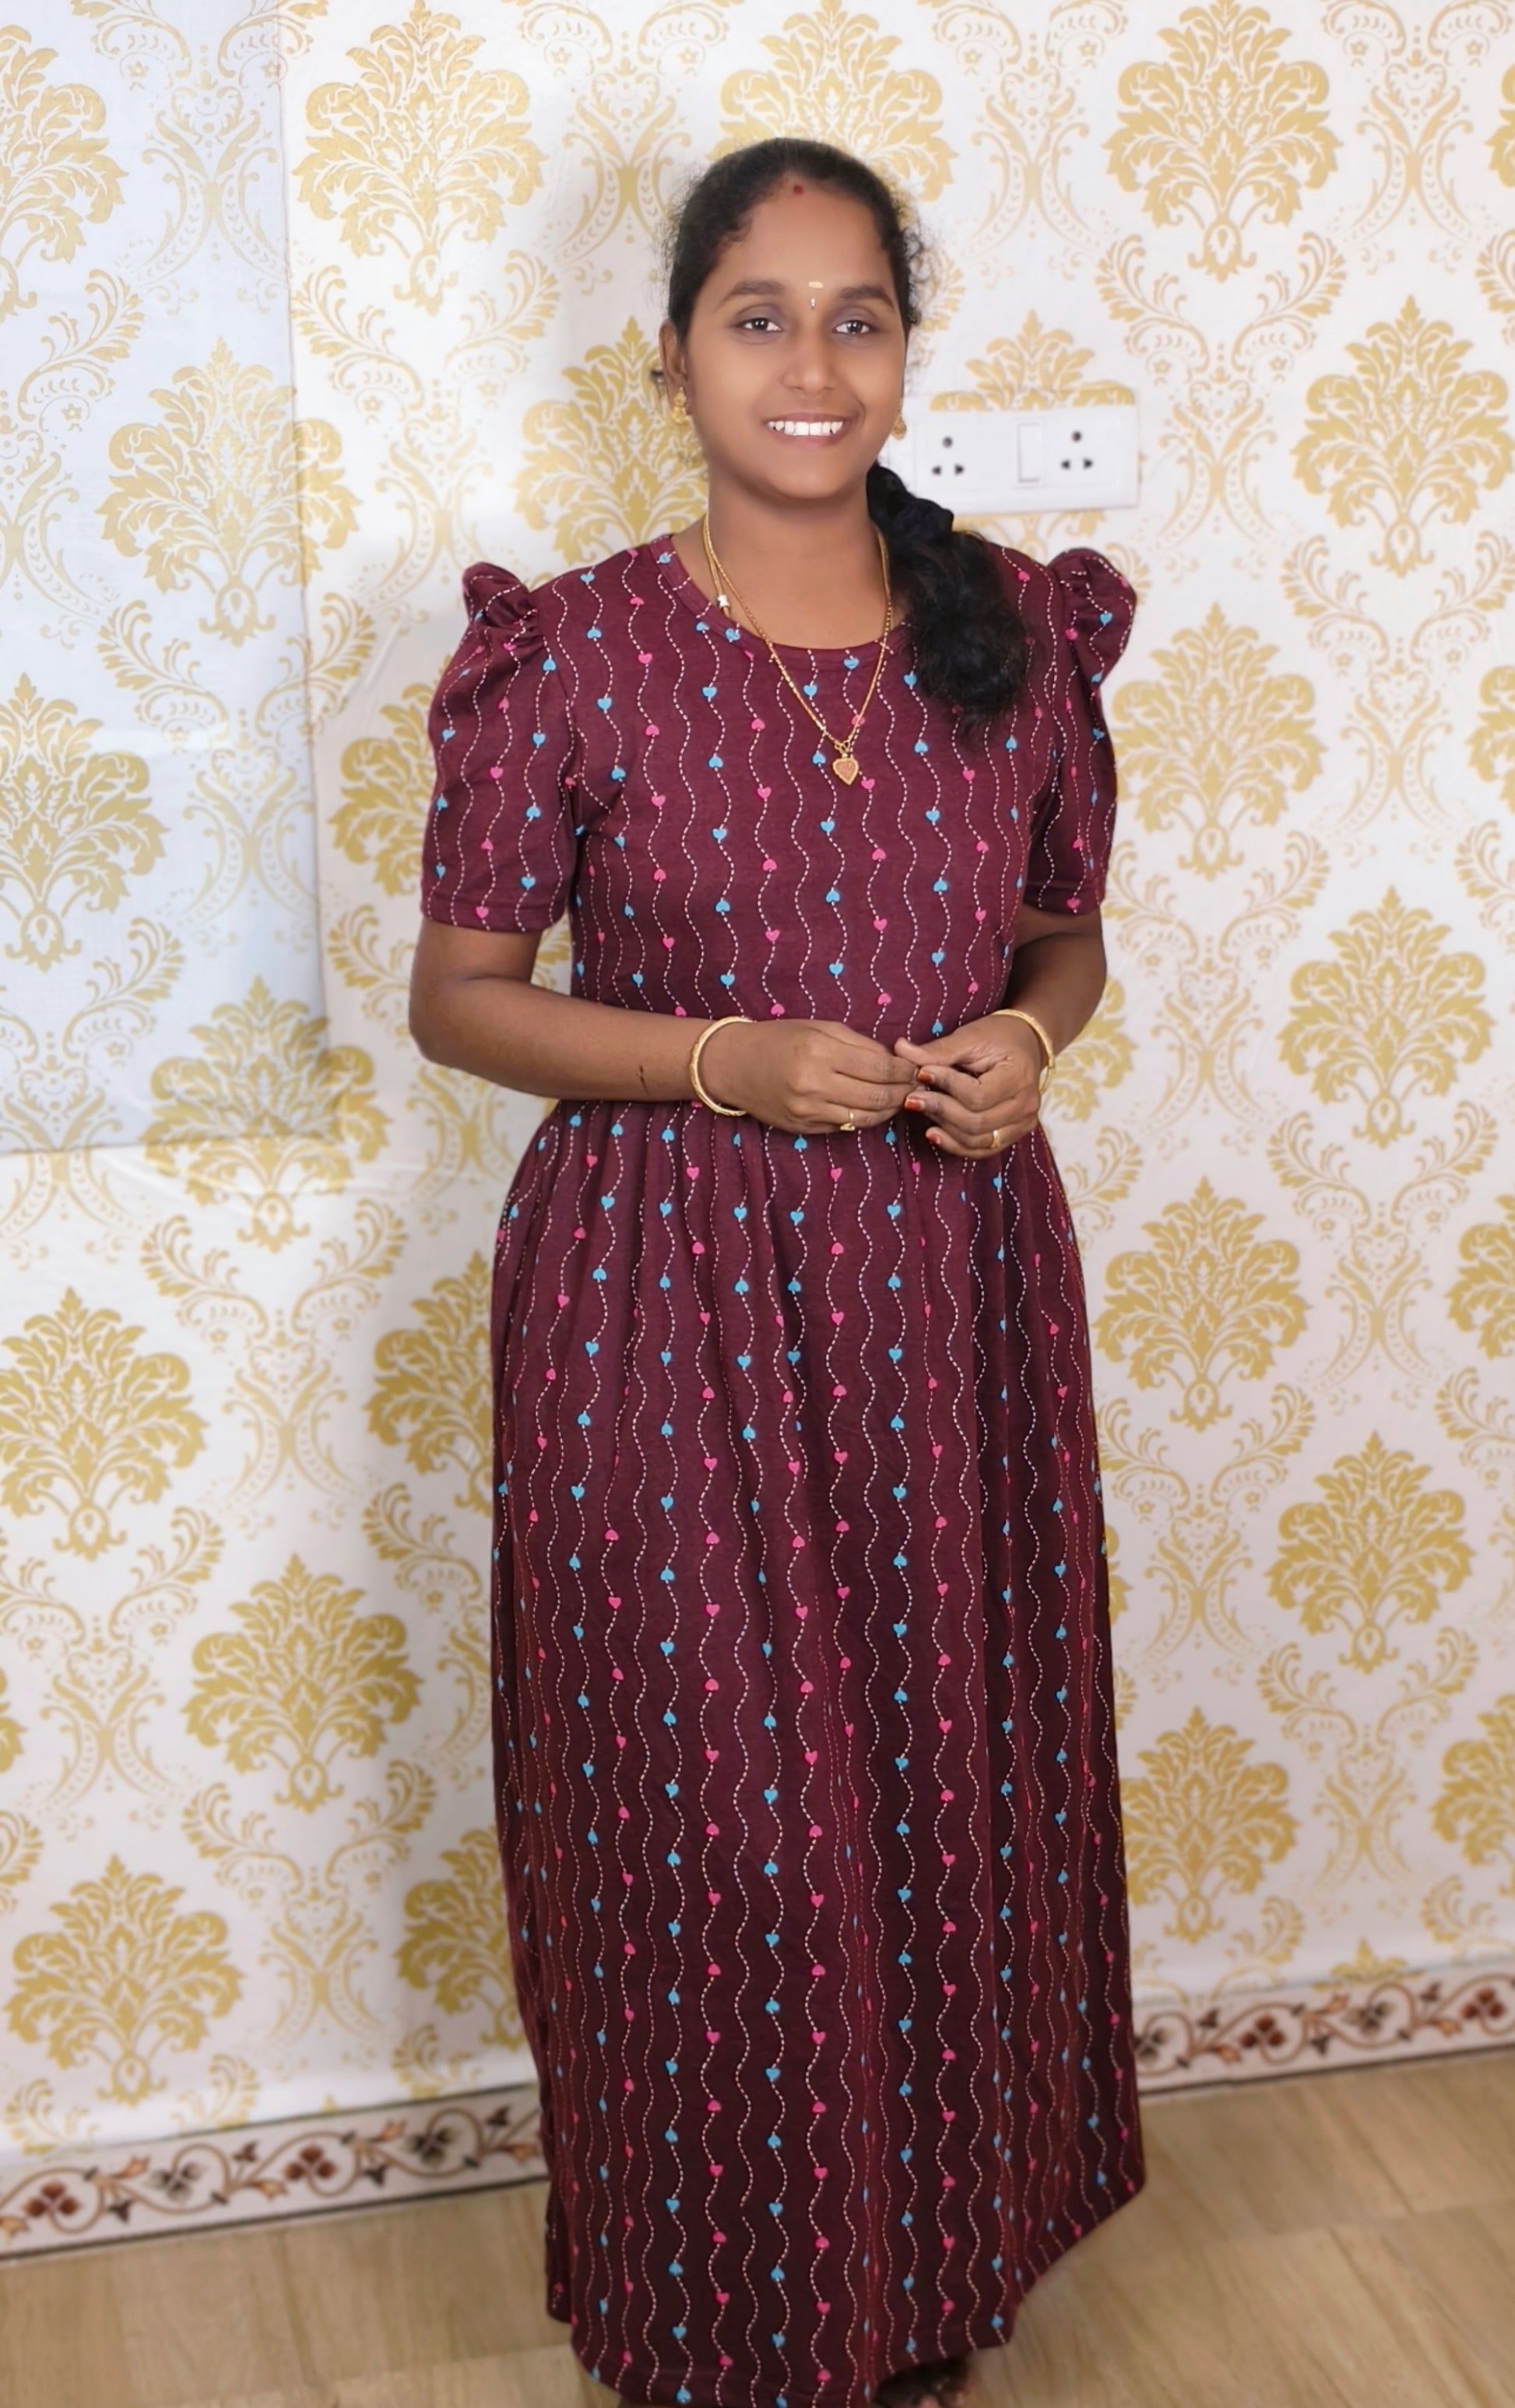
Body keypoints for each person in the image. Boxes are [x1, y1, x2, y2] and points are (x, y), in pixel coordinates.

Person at [410, 136, 1144, 2408]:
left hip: (953, 1294)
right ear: (673, 358)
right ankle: (716, 2313)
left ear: (904, 351)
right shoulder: (572, 653)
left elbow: (1062, 937)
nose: (811, 363)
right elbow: (459, 1000)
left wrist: (1028, 1043)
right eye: (759, 316)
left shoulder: (1007, 635)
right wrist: (717, 1058)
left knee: (944, 1794)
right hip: (658, 1309)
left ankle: (916, 2294)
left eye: (856, 317)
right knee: (715, 1825)